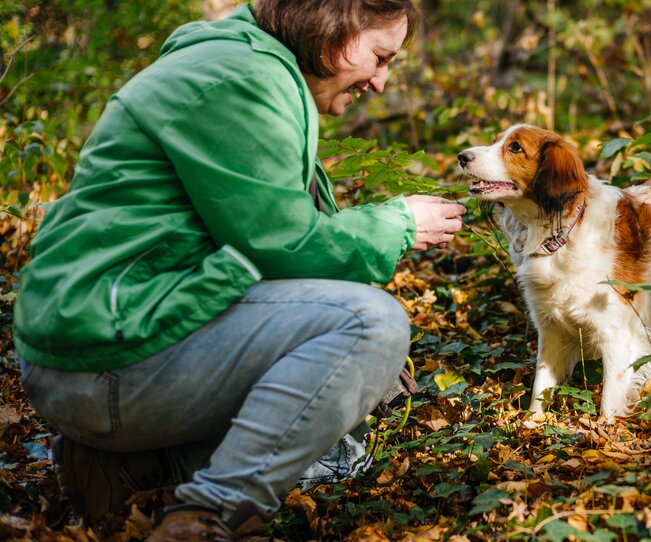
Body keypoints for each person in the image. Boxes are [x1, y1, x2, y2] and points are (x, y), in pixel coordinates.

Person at [12, 1, 466, 540]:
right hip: (105, 362)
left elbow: (258, 251)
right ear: (335, 29)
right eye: (380, 56)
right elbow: (282, 243)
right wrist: (398, 223)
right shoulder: (241, 77)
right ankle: (209, 515)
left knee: (343, 430)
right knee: (370, 325)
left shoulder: (240, 64)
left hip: (109, 345)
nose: (382, 82)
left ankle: (132, 472)